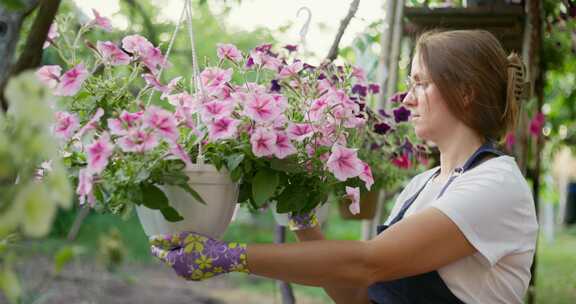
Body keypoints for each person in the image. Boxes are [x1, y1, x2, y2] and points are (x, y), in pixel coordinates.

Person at [149, 29, 538, 304]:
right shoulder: (422, 185)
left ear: (465, 92)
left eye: (420, 83)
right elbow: (357, 293)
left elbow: (369, 262)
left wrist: (231, 256)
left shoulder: (495, 185)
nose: (406, 98)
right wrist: (305, 225)